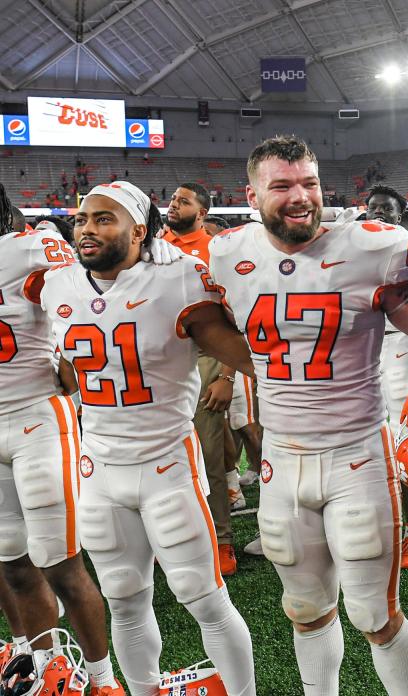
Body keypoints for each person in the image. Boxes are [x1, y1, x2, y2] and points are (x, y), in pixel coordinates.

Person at [209, 135, 408, 696]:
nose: (299, 197)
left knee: (374, 615)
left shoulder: (371, 245)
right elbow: (202, 320)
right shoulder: (226, 253)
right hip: (282, 459)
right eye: (282, 185)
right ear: (252, 194)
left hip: (356, 455)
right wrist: (250, 367)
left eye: (308, 183)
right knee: (305, 609)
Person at [40, 181, 257, 696]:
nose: (87, 229)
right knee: (123, 599)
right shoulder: (57, 285)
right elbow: (71, 372)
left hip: (166, 465)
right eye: (82, 219)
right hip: (98, 469)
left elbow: (249, 350)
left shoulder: (178, 278)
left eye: (104, 219)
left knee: (203, 597)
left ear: (139, 230)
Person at [0, 185, 124, 695]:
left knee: (60, 563)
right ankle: (47, 670)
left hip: (35, 419)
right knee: (13, 566)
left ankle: (102, 678)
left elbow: (83, 297)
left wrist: (70, 361)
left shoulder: (30, 247)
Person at [164, 183, 238, 574]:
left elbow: (234, 316)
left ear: (203, 211)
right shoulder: (156, 244)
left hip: (207, 355)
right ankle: (173, 537)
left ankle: (221, 540)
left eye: (184, 201)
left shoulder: (218, 249)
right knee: (165, 454)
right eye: (173, 199)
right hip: (164, 357)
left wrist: (227, 376)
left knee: (209, 453)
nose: (174, 205)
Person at [365, 184, 408, 570]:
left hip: (398, 348)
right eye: (373, 208)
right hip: (361, 350)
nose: (378, 214)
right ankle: (374, 522)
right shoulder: (352, 246)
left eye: (387, 210)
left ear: (399, 215)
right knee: (363, 448)